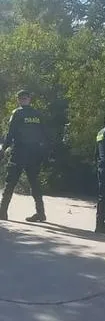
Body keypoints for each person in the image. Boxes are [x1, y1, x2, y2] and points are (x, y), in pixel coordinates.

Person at [0, 89, 47, 222]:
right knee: (35, 183)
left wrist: (3, 149)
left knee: (10, 182)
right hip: (35, 153)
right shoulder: (37, 114)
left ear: (19, 99)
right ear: (29, 99)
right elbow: (45, 134)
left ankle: (2, 212)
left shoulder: (17, 113)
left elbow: (11, 133)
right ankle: (41, 213)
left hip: (19, 152)